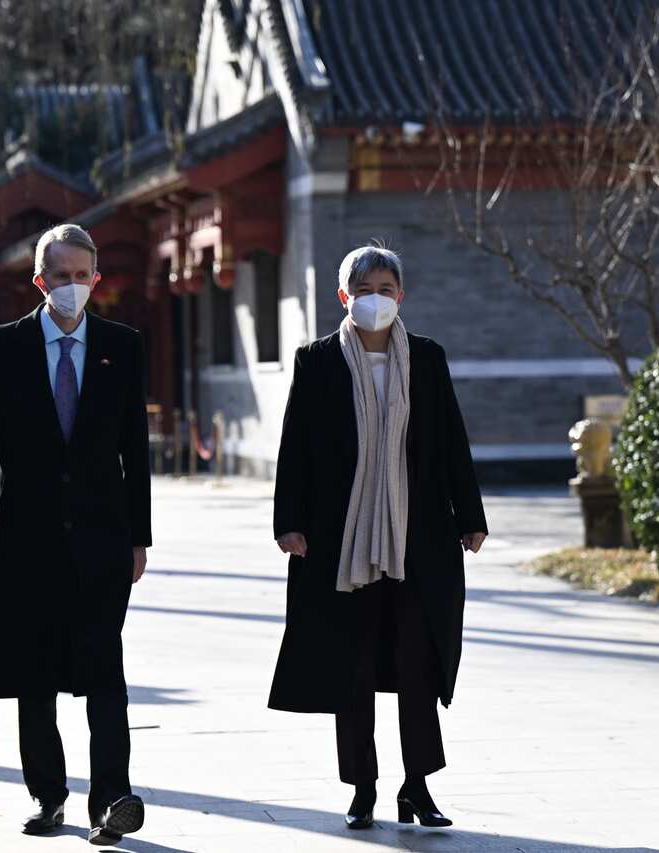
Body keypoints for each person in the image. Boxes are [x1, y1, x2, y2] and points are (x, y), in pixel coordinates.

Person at [269, 244, 488, 830]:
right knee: (354, 667)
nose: (376, 300)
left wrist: (470, 516)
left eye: (386, 289)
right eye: (365, 290)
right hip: (341, 542)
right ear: (345, 297)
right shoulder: (316, 362)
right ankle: (362, 787)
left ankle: (417, 787)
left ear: (401, 296)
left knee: (418, 664)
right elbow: (294, 449)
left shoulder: (427, 359)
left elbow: (451, 443)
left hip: (420, 540)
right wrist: (288, 523)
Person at [0, 223, 150, 845]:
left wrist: (139, 536)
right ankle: (48, 798)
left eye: (81, 275)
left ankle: (111, 800)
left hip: (102, 537)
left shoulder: (122, 346)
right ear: (39, 281)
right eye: (59, 275)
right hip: (25, 538)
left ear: (97, 278)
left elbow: (135, 451)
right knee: (33, 678)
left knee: (104, 673)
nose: (71, 286)